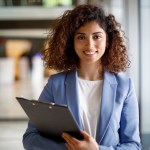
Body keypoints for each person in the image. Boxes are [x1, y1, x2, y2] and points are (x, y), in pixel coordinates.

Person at [23, 4, 142, 150]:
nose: (89, 44)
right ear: (71, 42)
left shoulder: (124, 86)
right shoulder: (56, 84)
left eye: (97, 36)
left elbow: (134, 145)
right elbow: (30, 138)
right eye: (81, 37)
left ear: (108, 41)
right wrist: (72, 148)